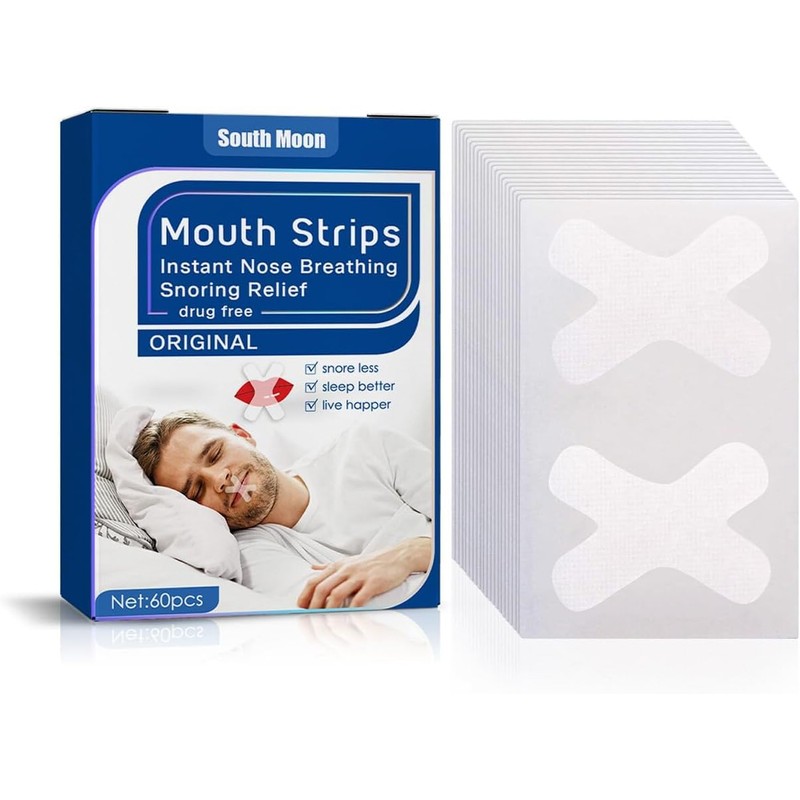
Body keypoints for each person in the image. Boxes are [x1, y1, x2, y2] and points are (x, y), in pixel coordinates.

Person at [132, 411, 433, 609]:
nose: (220, 479)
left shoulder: (365, 447)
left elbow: (463, 531)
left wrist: (411, 554)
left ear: (242, 434)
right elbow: (372, 610)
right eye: (196, 490)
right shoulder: (250, 558)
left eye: (215, 454)